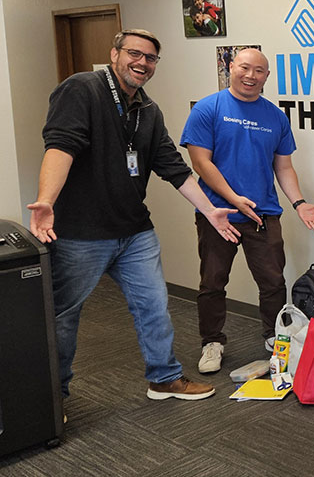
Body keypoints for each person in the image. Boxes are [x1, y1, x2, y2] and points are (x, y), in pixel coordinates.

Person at [28, 29, 240, 402]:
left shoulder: (148, 110)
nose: (142, 63)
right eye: (135, 54)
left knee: (154, 305)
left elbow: (173, 168)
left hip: (135, 232)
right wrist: (47, 200)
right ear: (115, 54)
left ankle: (164, 378)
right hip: (81, 233)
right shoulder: (82, 89)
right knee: (63, 315)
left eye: (151, 58)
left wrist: (209, 211)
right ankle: (52, 397)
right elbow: (61, 146)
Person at [180, 48, 314, 374]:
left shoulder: (275, 116)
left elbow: (284, 167)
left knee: (273, 281)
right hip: (218, 214)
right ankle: (212, 342)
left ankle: (275, 339)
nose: (250, 76)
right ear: (231, 68)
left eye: (259, 71)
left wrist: (299, 203)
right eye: (244, 68)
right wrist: (233, 199)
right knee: (213, 281)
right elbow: (200, 162)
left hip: (264, 213)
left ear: (267, 76)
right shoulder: (208, 109)